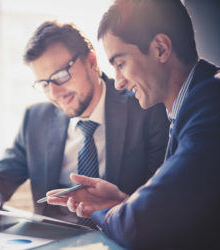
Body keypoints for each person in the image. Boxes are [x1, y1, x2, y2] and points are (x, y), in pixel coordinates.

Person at [0, 21, 169, 228]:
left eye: (60, 76)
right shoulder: (36, 119)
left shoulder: (145, 108)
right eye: (44, 84)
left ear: (91, 62)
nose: (54, 93)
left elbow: (161, 201)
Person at [47, 0, 220, 248]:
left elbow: (137, 225)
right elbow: (175, 215)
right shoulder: (189, 106)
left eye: (120, 64)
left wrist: (101, 211)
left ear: (161, 48)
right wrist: (123, 201)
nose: (118, 83)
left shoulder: (211, 102)